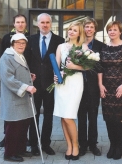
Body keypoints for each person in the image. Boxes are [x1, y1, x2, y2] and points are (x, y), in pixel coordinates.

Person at [25, 13, 64, 156]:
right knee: (33, 116)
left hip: (50, 85)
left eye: (47, 22)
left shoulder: (60, 41)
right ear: (37, 24)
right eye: (42, 22)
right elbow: (26, 62)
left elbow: (61, 63)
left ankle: (46, 143)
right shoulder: (30, 40)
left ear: (51, 24)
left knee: (48, 115)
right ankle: (34, 145)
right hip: (34, 85)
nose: (45, 25)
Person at [98, 21, 122, 160]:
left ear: (120, 31)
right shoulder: (104, 48)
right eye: (110, 30)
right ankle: (112, 145)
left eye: (114, 30)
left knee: (118, 117)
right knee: (108, 117)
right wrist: (100, 85)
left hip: (120, 87)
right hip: (107, 87)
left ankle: (119, 146)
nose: (112, 32)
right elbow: (100, 68)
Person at [0, 33, 37, 162]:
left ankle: (20, 149)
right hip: (13, 98)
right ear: (12, 44)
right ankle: (9, 153)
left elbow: (17, 73)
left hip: (22, 98)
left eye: (23, 43)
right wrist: (27, 87)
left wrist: (28, 76)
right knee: (14, 127)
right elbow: (8, 78)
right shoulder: (6, 57)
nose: (21, 45)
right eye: (18, 43)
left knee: (23, 125)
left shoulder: (19, 55)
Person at [53, 21, 87, 160]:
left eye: (75, 30)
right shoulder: (60, 46)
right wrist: (55, 76)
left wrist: (74, 66)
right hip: (62, 83)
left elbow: (88, 67)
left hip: (75, 82)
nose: (71, 32)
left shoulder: (83, 46)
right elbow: (56, 64)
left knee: (69, 116)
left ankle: (76, 145)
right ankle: (69, 145)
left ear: (80, 33)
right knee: (62, 115)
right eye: (70, 29)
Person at [0, 14, 29, 148]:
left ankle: (21, 141)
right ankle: (8, 138)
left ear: (26, 24)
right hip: (12, 79)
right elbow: (5, 61)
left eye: (22, 22)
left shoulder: (29, 39)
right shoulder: (7, 38)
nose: (20, 24)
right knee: (11, 113)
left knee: (23, 115)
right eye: (18, 22)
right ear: (14, 24)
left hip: (24, 77)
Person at [78, 17, 105, 156]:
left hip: (93, 86)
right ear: (83, 28)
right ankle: (82, 145)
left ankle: (93, 144)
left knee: (93, 116)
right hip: (78, 86)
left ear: (95, 29)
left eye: (91, 27)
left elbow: (101, 66)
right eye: (86, 27)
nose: (89, 29)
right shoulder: (77, 44)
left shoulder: (100, 46)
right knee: (81, 116)